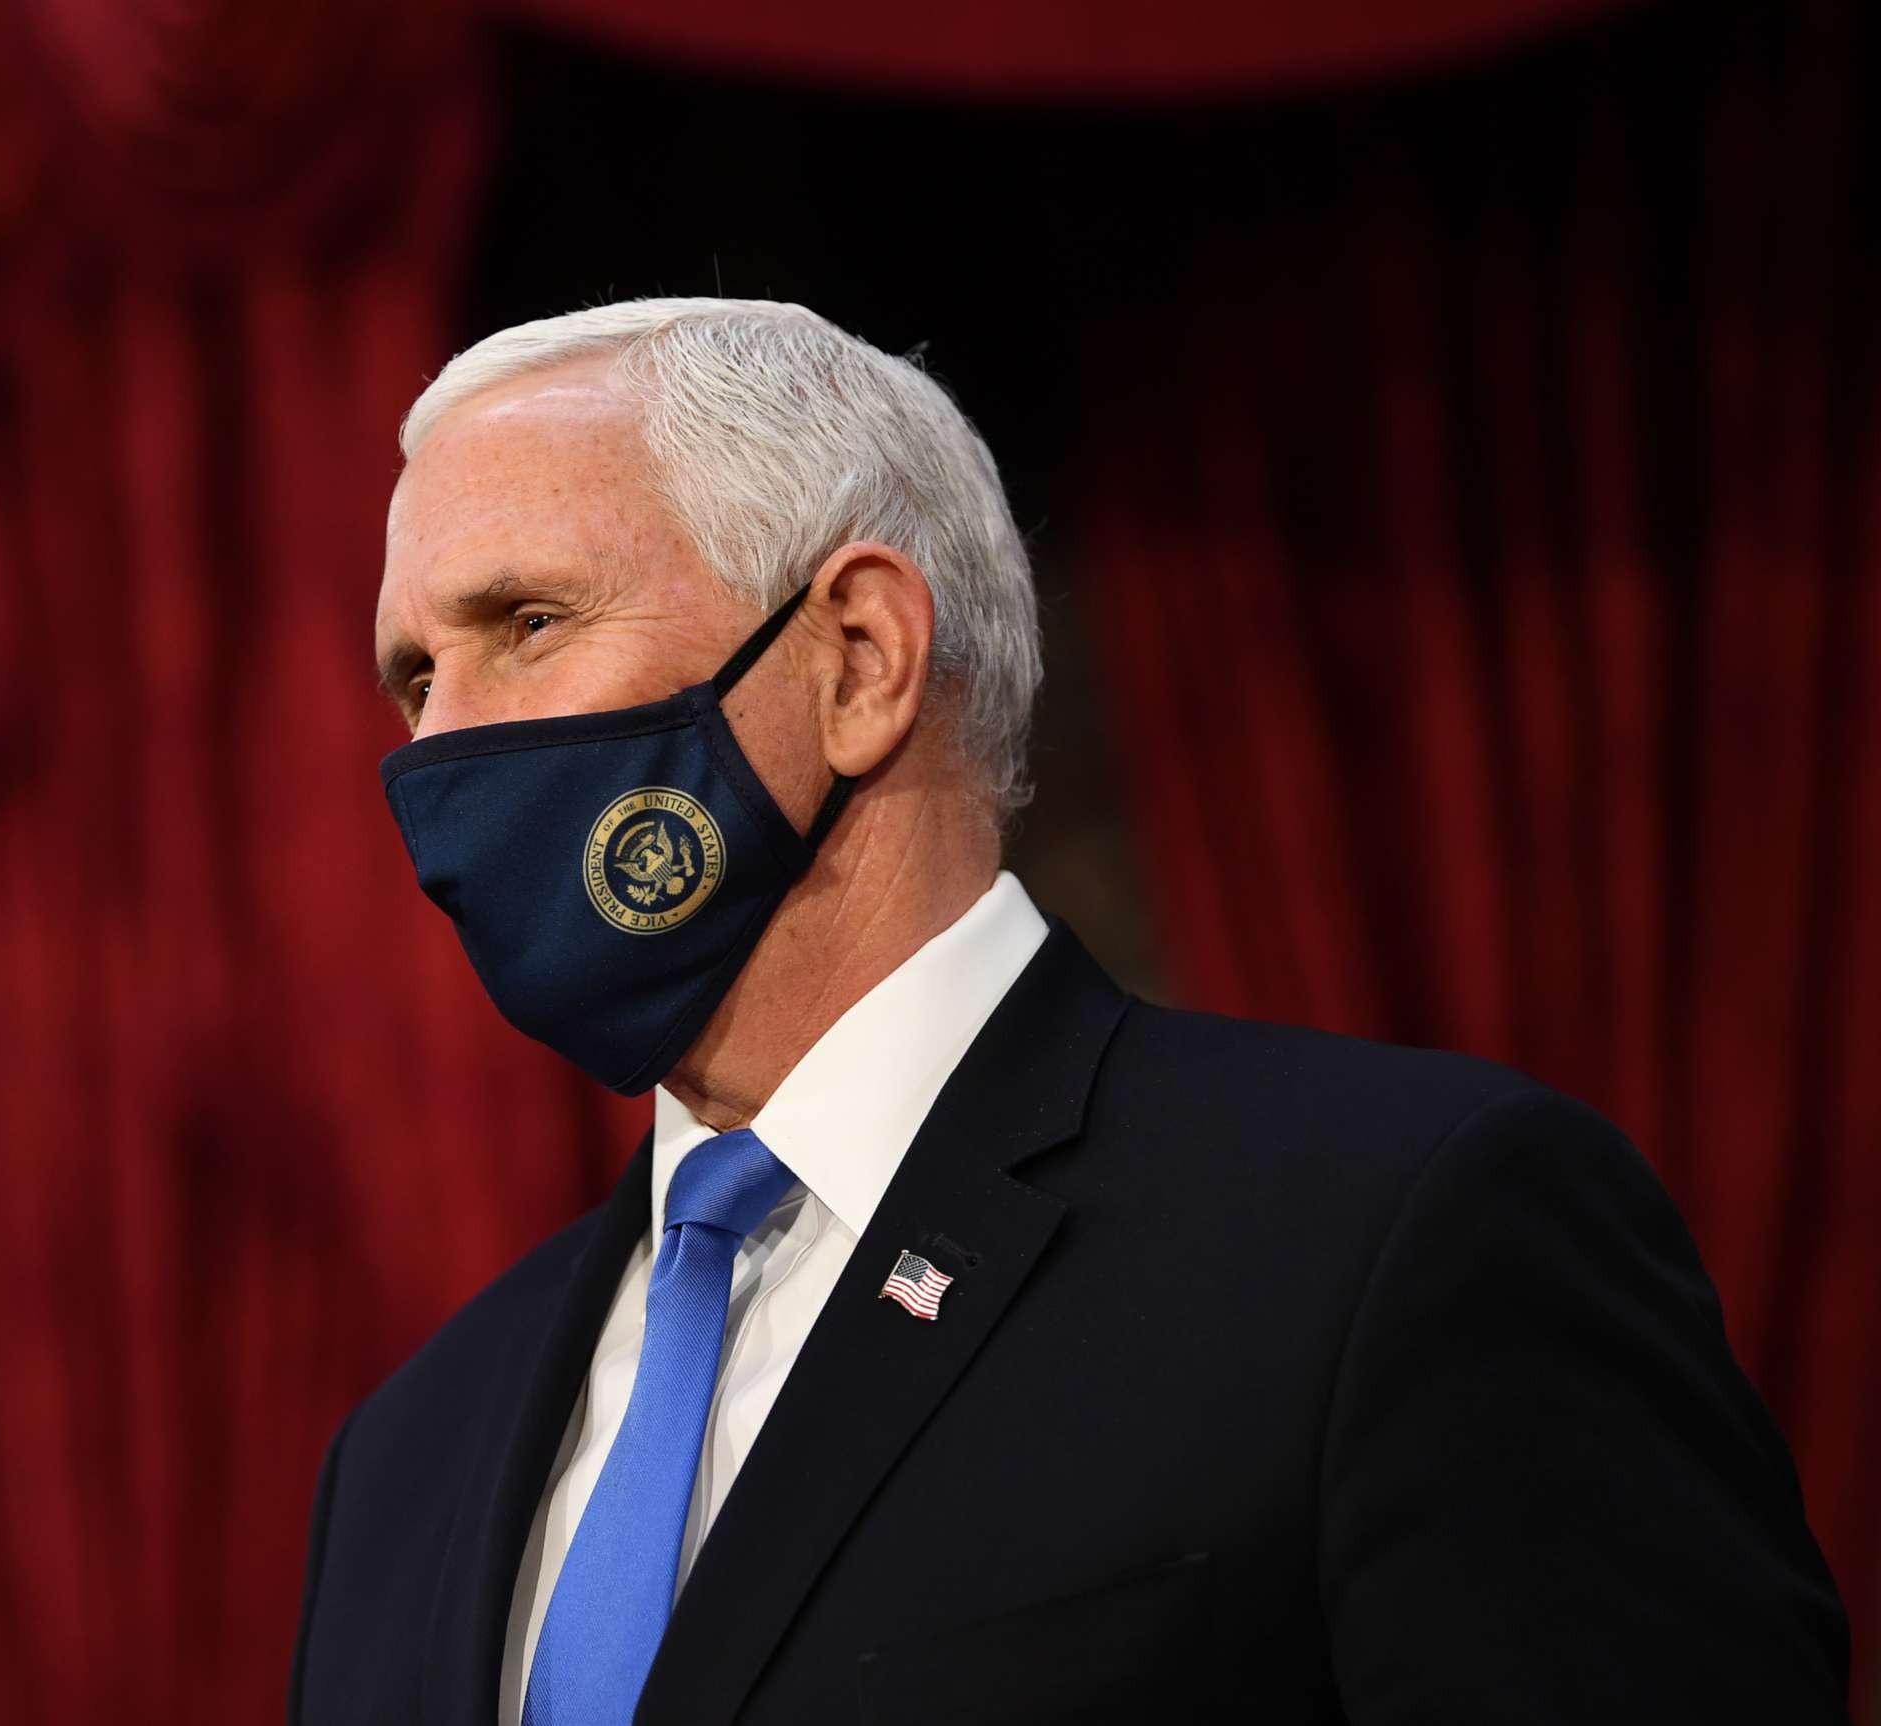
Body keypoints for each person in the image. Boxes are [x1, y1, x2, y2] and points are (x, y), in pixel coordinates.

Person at [287, 299, 1851, 1725]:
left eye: (529, 624)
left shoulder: (1394, 1241)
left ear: (857, 660)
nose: (438, 750)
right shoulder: (406, 1462)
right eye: (414, 676)